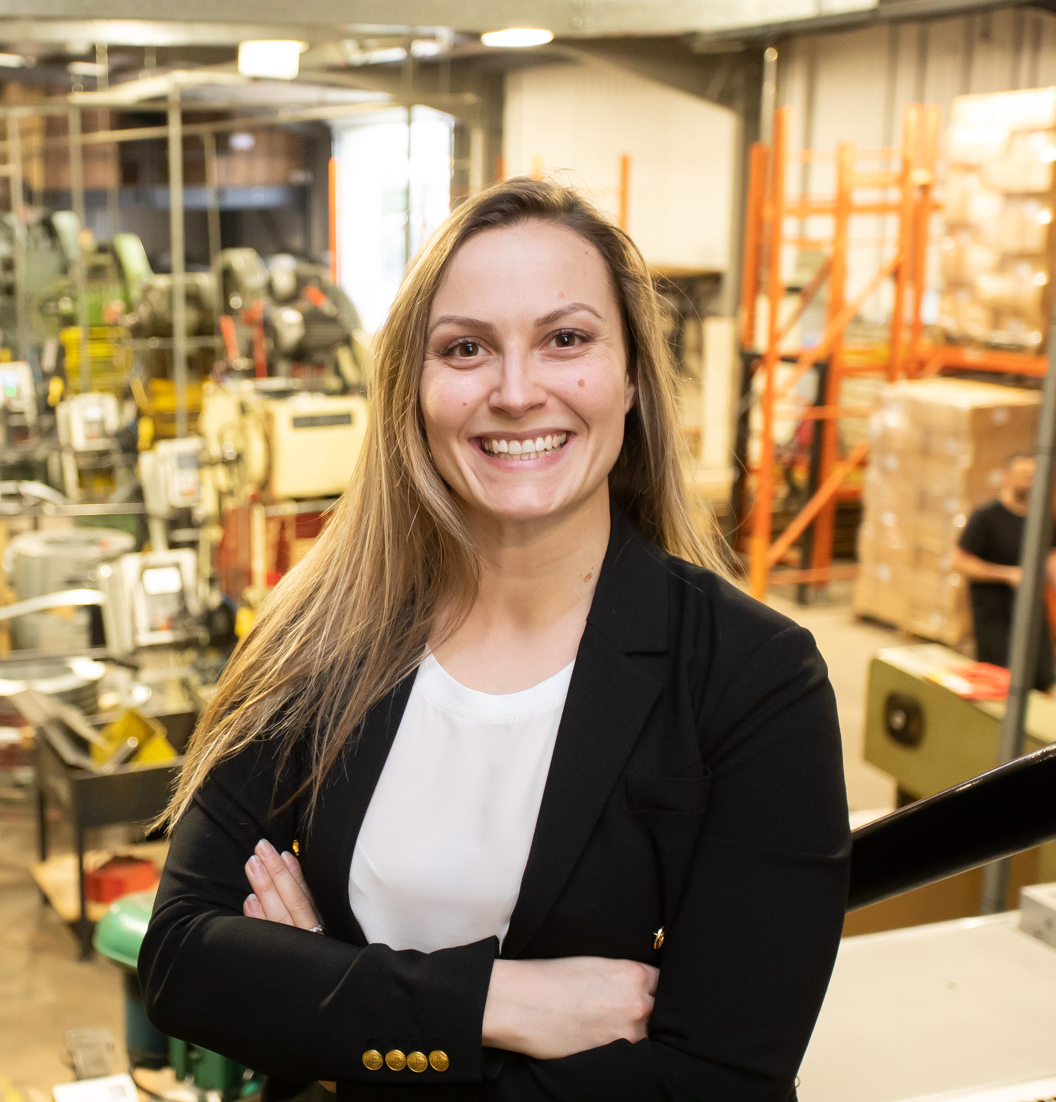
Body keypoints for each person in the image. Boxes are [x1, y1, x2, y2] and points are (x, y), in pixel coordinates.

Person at [137, 178, 849, 1101]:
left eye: (566, 339)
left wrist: (328, 995)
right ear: (412, 389)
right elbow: (184, 957)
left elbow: (720, 1079)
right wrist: (494, 1003)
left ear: (632, 376)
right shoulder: (317, 637)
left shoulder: (752, 681)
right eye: (465, 348)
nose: (516, 393)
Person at [954, 453, 1056, 691]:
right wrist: (1006, 574)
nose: (1028, 482)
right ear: (1007, 478)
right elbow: (959, 562)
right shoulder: (986, 516)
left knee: (1041, 677)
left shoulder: (1042, 519)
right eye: (1023, 476)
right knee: (999, 681)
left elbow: (1050, 557)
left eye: (1033, 477)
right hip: (994, 614)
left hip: (1032, 610)